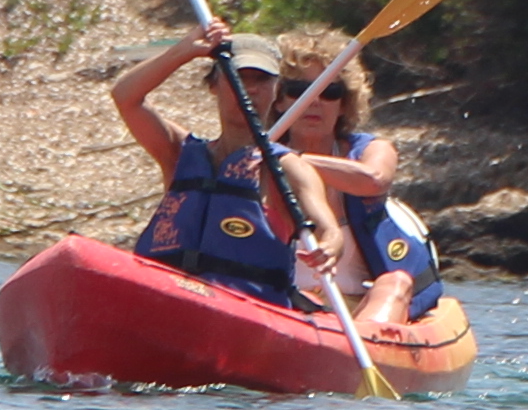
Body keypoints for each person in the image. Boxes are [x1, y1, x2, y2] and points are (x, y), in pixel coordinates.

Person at [110, 26, 358, 309]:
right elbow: (125, 97)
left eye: (261, 79)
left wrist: (329, 248)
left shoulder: (287, 168)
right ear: (213, 85)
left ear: (277, 93)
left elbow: (329, 230)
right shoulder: (179, 151)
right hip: (169, 300)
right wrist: (183, 51)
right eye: (236, 76)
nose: (249, 89)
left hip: (245, 311)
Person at [267, 36, 439, 331]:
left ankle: (367, 344)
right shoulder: (254, 161)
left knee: (396, 281)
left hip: (361, 308)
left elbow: (374, 180)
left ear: (344, 104)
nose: (314, 101)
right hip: (285, 307)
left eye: (329, 91)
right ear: (280, 100)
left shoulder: (371, 149)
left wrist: (291, 162)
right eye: (299, 90)